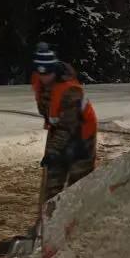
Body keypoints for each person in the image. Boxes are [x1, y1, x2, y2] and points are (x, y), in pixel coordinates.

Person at [31, 43, 98, 216]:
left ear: (55, 70)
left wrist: (53, 151)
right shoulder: (39, 80)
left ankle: (77, 220)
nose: (44, 77)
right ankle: (48, 223)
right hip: (59, 131)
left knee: (78, 184)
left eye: (48, 73)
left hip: (81, 136)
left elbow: (67, 127)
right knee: (52, 183)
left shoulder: (70, 91)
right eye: (41, 73)